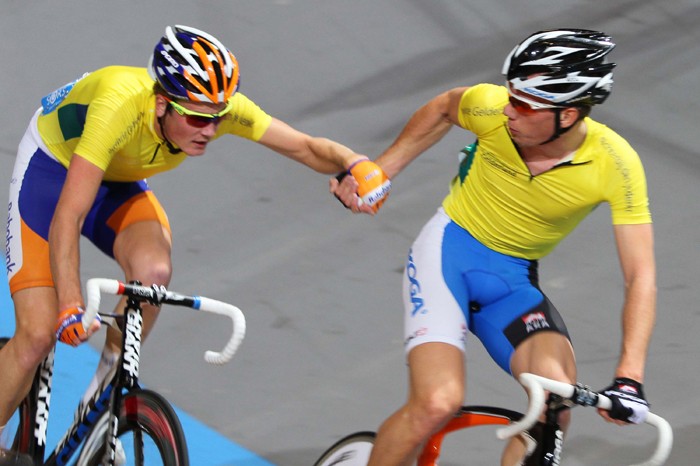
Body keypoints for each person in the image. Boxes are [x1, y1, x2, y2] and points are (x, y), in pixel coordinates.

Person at [1, 24, 382, 452]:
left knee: (154, 272)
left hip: (117, 180)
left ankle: (103, 392)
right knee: (37, 334)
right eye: (198, 118)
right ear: (161, 103)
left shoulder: (211, 106)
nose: (211, 129)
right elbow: (67, 216)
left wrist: (354, 165)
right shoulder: (118, 105)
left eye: (218, 117)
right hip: (51, 175)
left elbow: (306, 147)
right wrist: (70, 304)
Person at [331, 29, 656, 465]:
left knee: (554, 403)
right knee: (437, 402)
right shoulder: (491, 109)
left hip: (512, 283)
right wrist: (381, 170)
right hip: (447, 257)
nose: (508, 110)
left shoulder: (616, 164)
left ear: (569, 114)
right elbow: (446, 106)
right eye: (510, 94)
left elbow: (641, 275)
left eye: (524, 104)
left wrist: (629, 378)